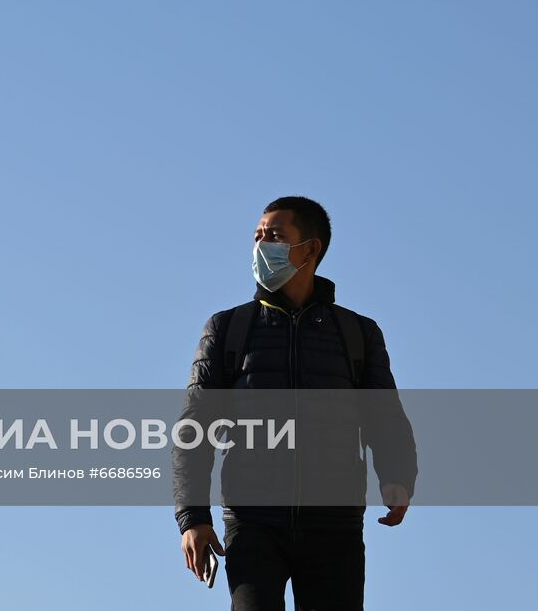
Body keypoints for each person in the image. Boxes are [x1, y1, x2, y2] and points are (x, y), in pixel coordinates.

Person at [172, 196, 417, 611]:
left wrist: (397, 475)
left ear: (311, 249)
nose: (262, 246)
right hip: (252, 525)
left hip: (334, 527)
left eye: (275, 236)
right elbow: (194, 429)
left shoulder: (358, 333)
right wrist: (192, 518)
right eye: (258, 236)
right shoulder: (228, 328)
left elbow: (385, 417)